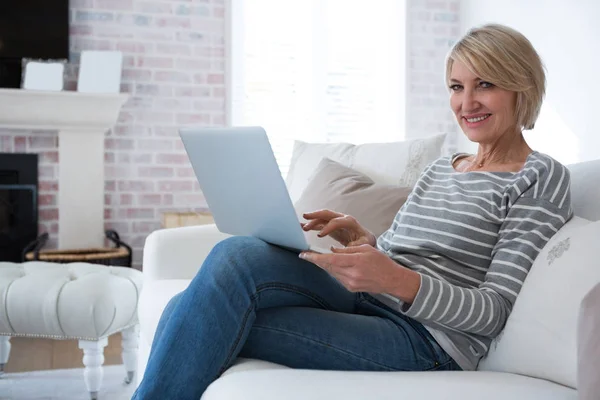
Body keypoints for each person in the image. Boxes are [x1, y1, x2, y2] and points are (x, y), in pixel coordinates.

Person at [132, 23, 572, 399]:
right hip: (366, 301)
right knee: (236, 256)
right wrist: (363, 242)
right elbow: (398, 253)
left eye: (485, 85)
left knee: (185, 313)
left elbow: (493, 311)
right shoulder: (444, 168)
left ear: (522, 87)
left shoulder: (539, 176)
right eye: (457, 87)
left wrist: (395, 279)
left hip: (426, 342)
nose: (466, 102)